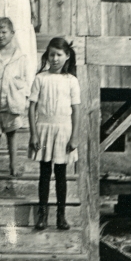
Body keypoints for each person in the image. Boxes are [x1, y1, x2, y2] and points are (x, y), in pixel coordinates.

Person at [28, 37, 81, 231]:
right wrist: (34, 134)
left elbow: (76, 110)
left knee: (61, 174)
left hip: (63, 132)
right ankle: (42, 215)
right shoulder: (40, 78)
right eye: (51, 55)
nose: (55, 59)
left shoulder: (71, 81)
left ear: (67, 56)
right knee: (44, 172)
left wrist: (74, 136)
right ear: (47, 56)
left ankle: (61, 215)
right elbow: (31, 108)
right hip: (43, 131)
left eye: (59, 55)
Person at [0, 17, 30, 177]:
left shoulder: (21, 57)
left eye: (4, 32)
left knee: (12, 134)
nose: (0, 36)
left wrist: (21, 97)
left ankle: (13, 165)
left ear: (12, 33)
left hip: (12, 102)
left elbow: (24, 79)